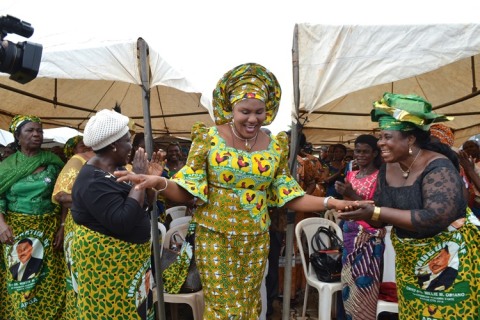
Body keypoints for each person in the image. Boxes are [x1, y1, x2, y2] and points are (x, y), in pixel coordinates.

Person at [114, 62, 366, 319]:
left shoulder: (274, 146)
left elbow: (289, 196)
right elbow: (188, 190)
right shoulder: (209, 139)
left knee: (247, 307)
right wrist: (159, 183)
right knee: (224, 309)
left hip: (255, 241)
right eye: (245, 111)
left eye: (260, 112)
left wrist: (330, 203)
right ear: (230, 108)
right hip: (214, 238)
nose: (253, 119)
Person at [339, 93, 480, 319]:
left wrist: (375, 211)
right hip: (409, 263)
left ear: (410, 140)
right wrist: (358, 211)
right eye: (380, 136)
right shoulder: (389, 167)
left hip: (451, 260)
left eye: (387, 136)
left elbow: (434, 217)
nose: (380, 143)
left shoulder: (439, 167)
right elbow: (384, 216)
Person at [70, 109, 159, 319]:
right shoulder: (92, 180)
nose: (132, 147)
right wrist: (138, 179)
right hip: (109, 271)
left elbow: (146, 206)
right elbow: (123, 222)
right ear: (113, 145)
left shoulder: (114, 172)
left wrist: (147, 181)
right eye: (127, 141)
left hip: (130, 268)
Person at [0, 114, 65, 319]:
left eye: (39, 130)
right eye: (30, 130)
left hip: (49, 231)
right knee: (21, 279)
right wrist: (1, 224)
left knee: (49, 279)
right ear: (18, 136)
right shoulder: (7, 166)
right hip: (16, 232)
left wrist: (62, 226)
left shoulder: (53, 162)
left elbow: (63, 196)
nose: (36, 134)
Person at [334, 134, 385, 320]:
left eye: (365, 151)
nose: (360, 155)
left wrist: (351, 193)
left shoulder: (380, 177)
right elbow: (348, 205)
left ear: (374, 153)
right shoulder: (351, 175)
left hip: (369, 238)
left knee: (364, 286)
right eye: (357, 151)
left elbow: (377, 211)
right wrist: (343, 198)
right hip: (349, 236)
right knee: (348, 283)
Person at [52, 135, 94, 320]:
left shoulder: (124, 162)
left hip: (111, 231)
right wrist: (101, 200)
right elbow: (62, 196)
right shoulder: (77, 161)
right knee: (79, 279)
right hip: (80, 226)